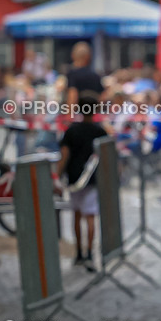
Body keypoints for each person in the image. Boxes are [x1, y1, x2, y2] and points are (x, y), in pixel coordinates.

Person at [58, 92, 108, 272]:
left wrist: (57, 176)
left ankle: (79, 252)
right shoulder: (100, 131)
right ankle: (89, 253)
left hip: (74, 178)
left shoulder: (71, 131)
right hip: (92, 179)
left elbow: (64, 155)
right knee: (90, 216)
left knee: (77, 215)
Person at [65, 42, 104, 108]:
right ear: (88, 57)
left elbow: (72, 95)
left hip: (78, 112)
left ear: (73, 55)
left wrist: (69, 112)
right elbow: (102, 98)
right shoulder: (95, 76)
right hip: (92, 112)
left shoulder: (72, 75)